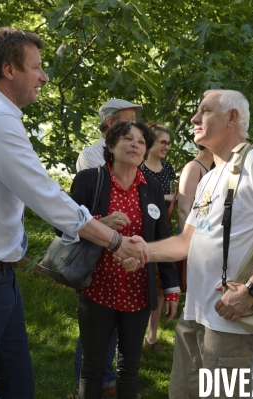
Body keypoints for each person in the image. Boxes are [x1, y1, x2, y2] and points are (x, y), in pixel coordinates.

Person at [0, 27, 147, 399]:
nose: (44, 76)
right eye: (38, 67)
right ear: (9, 69)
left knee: (18, 389)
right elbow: (45, 196)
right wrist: (113, 240)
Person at [119, 90, 253, 398]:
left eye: (204, 111)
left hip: (230, 322)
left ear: (232, 117)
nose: (194, 119)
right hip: (194, 315)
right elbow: (186, 241)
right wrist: (143, 250)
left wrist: (252, 290)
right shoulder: (209, 176)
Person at [73, 121, 180, 398]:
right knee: (93, 366)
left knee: (129, 368)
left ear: (146, 152)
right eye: (127, 139)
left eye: (141, 141)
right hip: (97, 288)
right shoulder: (89, 180)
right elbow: (63, 228)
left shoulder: (153, 188)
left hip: (138, 293)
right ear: (110, 145)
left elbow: (162, 237)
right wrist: (100, 223)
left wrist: (171, 288)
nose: (135, 144)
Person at [73, 98, 142, 398]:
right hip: (96, 269)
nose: (134, 132)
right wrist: (105, 223)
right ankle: (97, 384)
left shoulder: (142, 174)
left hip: (129, 276)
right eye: (128, 123)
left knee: (120, 348)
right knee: (93, 345)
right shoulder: (91, 160)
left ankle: (107, 383)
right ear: (112, 124)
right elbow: (77, 217)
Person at [139, 123, 177, 353]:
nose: (166, 146)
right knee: (142, 284)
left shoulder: (168, 169)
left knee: (161, 287)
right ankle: (135, 334)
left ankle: (152, 338)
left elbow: (171, 200)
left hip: (163, 232)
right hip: (143, 233)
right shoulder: (139, 167)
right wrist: (168, 196)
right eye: (162, 142)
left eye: (168, 143)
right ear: (150, 143)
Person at [76, 99, 142, 172]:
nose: (134, 125)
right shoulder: (90, 154)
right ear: (110, 122)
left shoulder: (136, 150)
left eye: (134, 121)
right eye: (129, 121)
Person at [177, 144, 214, 229]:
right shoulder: (193, 167)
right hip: (193, 233)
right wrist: (188, 240)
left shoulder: (213, 168)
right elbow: (183, 211)